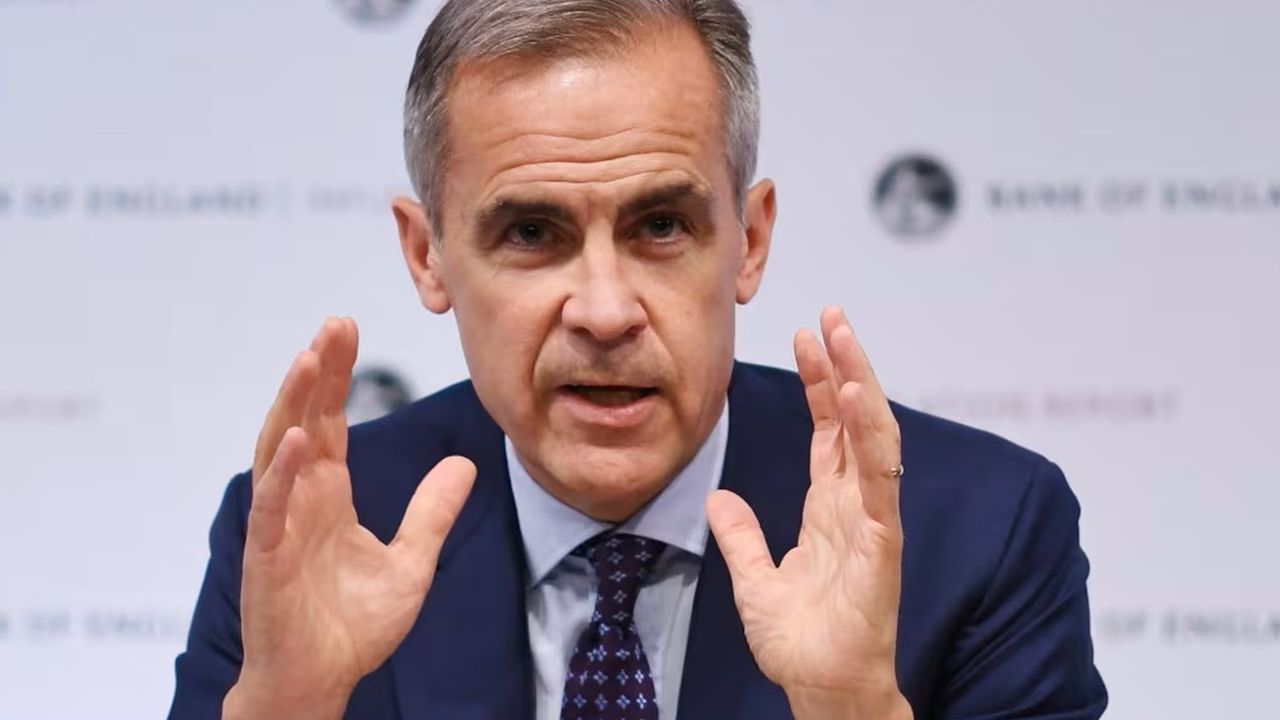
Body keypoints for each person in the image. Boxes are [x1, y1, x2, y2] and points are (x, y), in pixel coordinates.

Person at [169, 1, 1108, 718]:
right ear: (429, 256)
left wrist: (852, 711)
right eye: (531, 233)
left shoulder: (983, 531)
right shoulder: (307, 532)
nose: (606, 311)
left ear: (748, 240)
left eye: (660, 225)